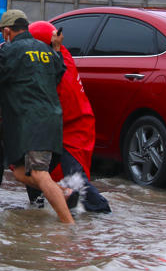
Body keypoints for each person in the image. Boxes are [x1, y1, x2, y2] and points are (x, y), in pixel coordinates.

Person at [0, 9, 75, 224]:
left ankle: (68, 227)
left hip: (32, 121)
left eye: (3, 33)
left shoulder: (11, 51)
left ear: (8, 31)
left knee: (38, 174)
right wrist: (56, 47)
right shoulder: (44, 49)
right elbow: (59, 71)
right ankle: (61, 191)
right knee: (20, 172)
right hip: (50, 119)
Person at [27, 21, 111, 213]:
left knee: (75, 179)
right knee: (34, 169)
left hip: (73, 127)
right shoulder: (60, 54)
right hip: (61, 125)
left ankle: (101, 211)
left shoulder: (56, 71)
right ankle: (37, 208)